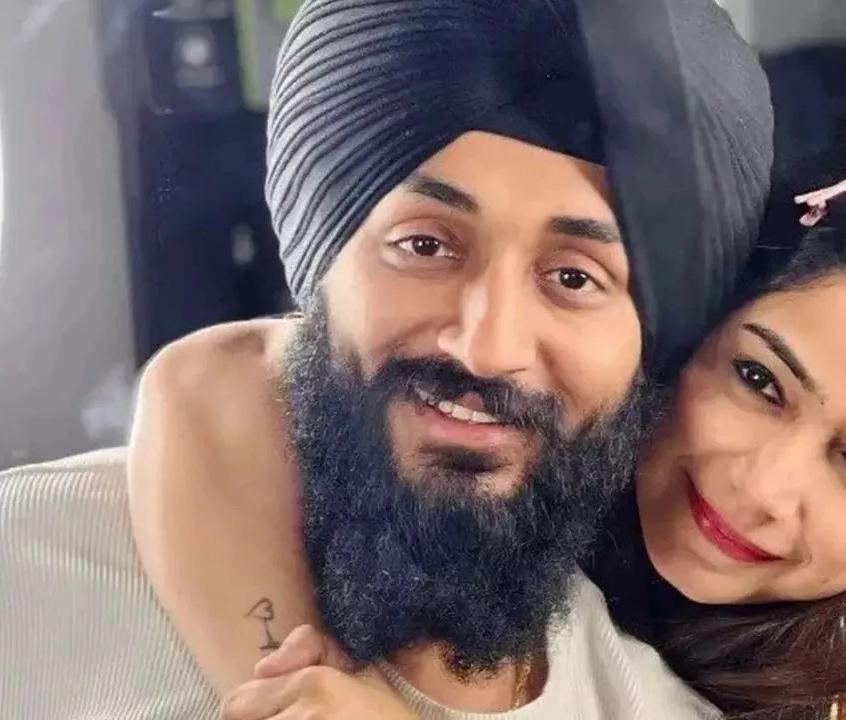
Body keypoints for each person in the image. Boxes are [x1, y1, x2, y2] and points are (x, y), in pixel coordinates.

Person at [131, 138, 846, 720]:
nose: (761, 486)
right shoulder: (546, 450)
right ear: (679, 328)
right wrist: (303, 684)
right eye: (758, 380)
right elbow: (215, 378)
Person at [0, 0, 773, 718]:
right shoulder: (23, 575)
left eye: (574, 279)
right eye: (424, 245)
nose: (486, 347)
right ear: (319, 260)